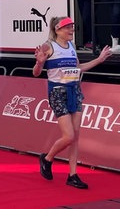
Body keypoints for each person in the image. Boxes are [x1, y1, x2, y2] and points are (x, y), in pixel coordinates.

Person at [33, 16, 112, 189]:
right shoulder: (48, 46)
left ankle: (73, 175)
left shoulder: (71, 46)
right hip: (57, 93)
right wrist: (39, 64)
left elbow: (78, 68)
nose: (71, 31)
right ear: (57, 30)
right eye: (68, 28)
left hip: (74, 91)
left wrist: (99, 59)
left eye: (72, 27)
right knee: (68, 136)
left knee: (75, 137)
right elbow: (36, 73)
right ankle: (47, 158)